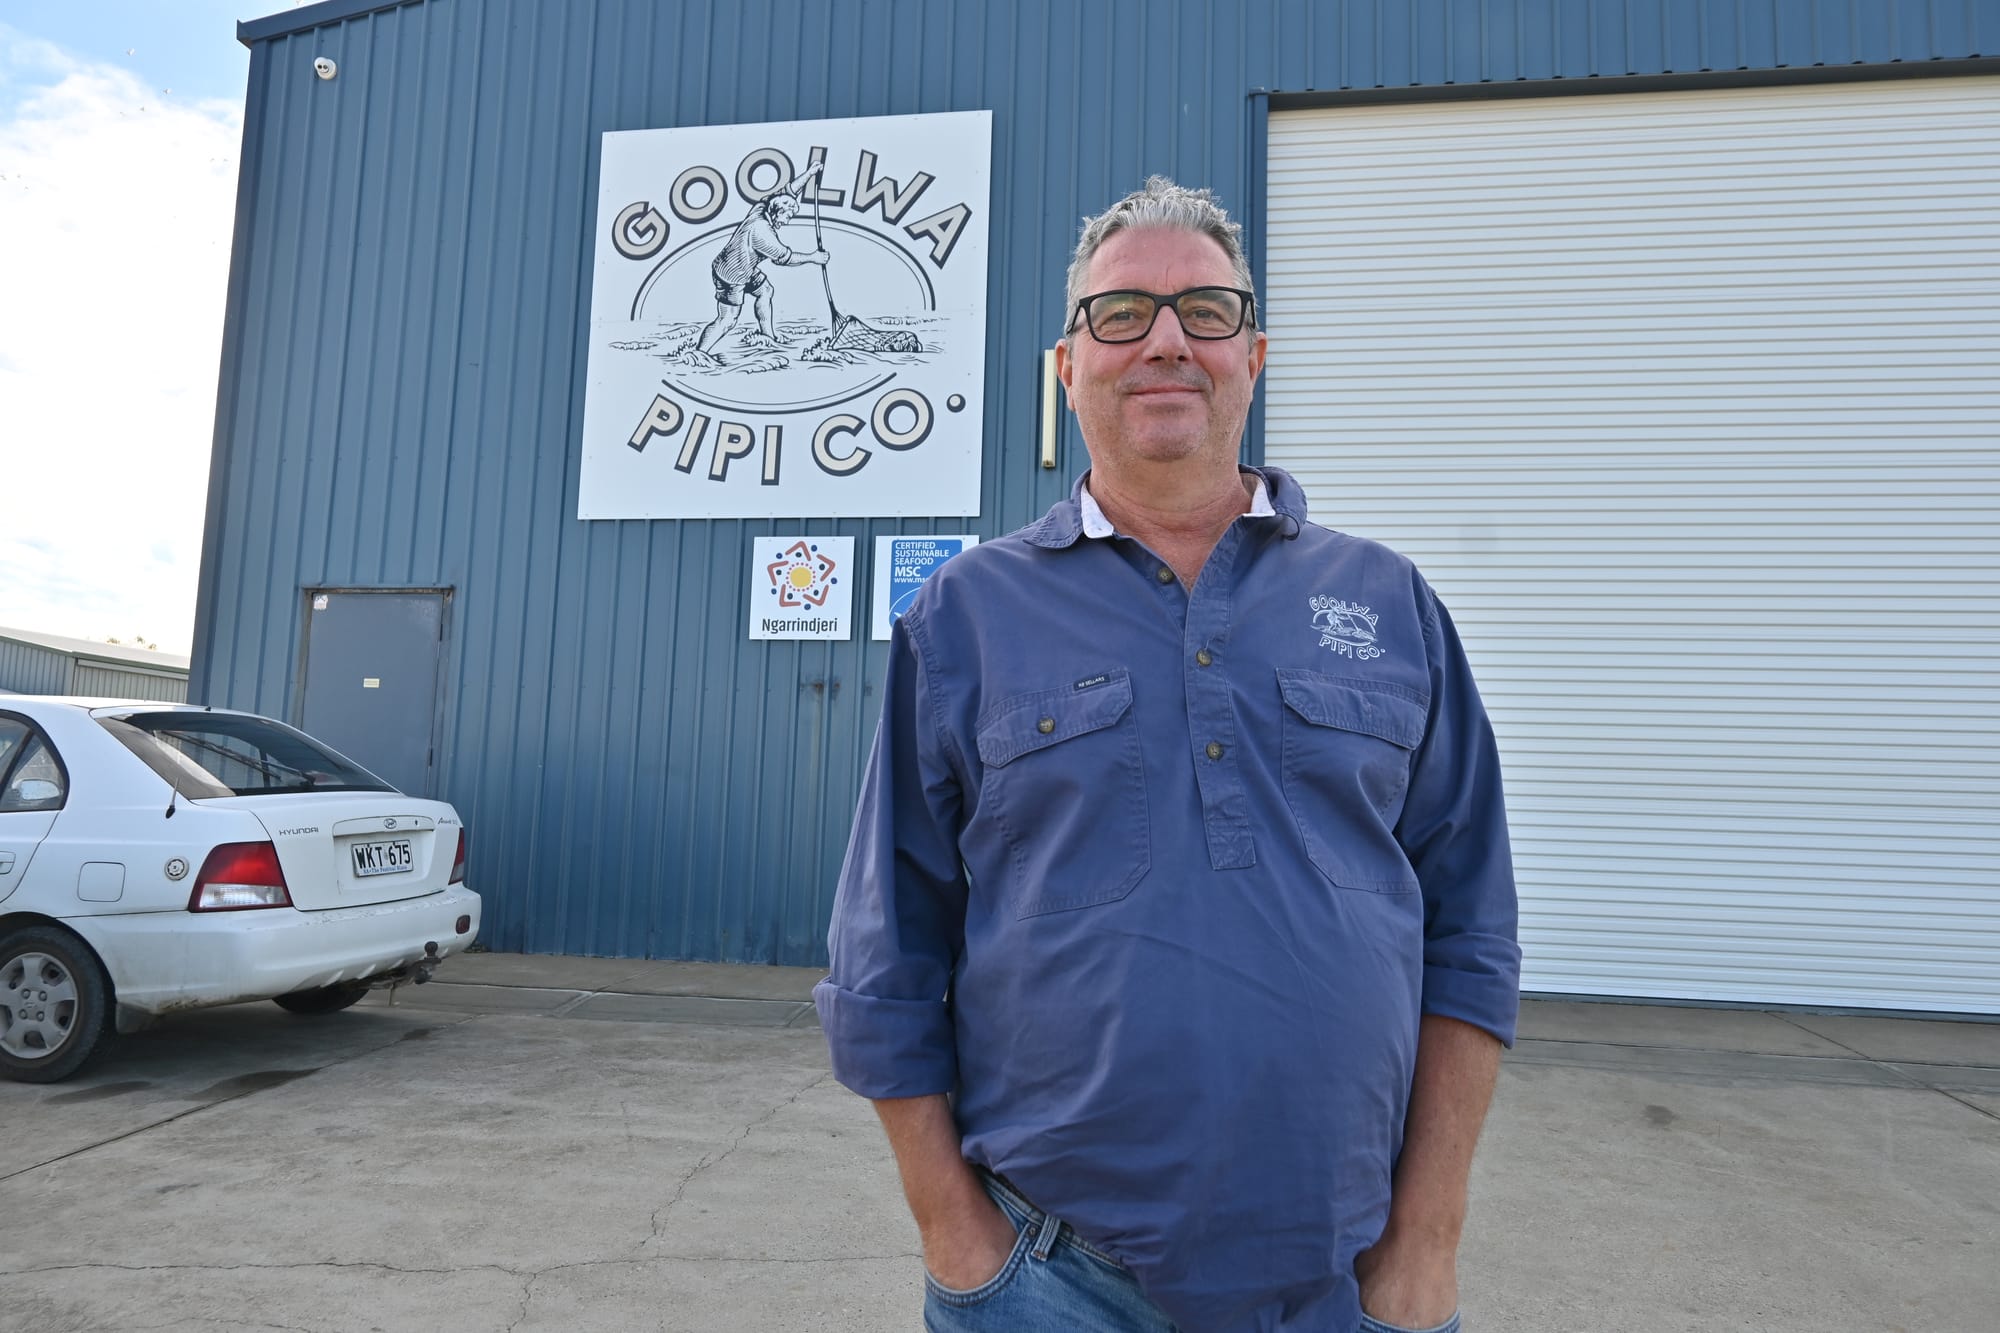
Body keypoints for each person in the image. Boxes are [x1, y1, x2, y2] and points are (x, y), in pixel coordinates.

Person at [815, 176, 1520, 1333]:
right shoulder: (966, 615)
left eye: (1203, 311)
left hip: (1348, 1282)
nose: (1162, 342)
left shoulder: (1385, 601)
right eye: (1119, 313)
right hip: (1049, 1279)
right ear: (1064, 367)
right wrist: (958, 1234)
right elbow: (883, 955)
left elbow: (1471, 935)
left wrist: (1425, 1243)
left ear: (1253, 354)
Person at [693, 164, 830, 357]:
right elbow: (786, 258)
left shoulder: (763, 206)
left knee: (765, 291)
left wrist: (809, 173)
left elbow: (790, 190)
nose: (787, 221)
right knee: (728, 319)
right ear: (776, 213)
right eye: (787, 216)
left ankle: (768, 337)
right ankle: (699, 353)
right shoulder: (762, 232)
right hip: (731, 274)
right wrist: (813, 258)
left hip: (744, 266)